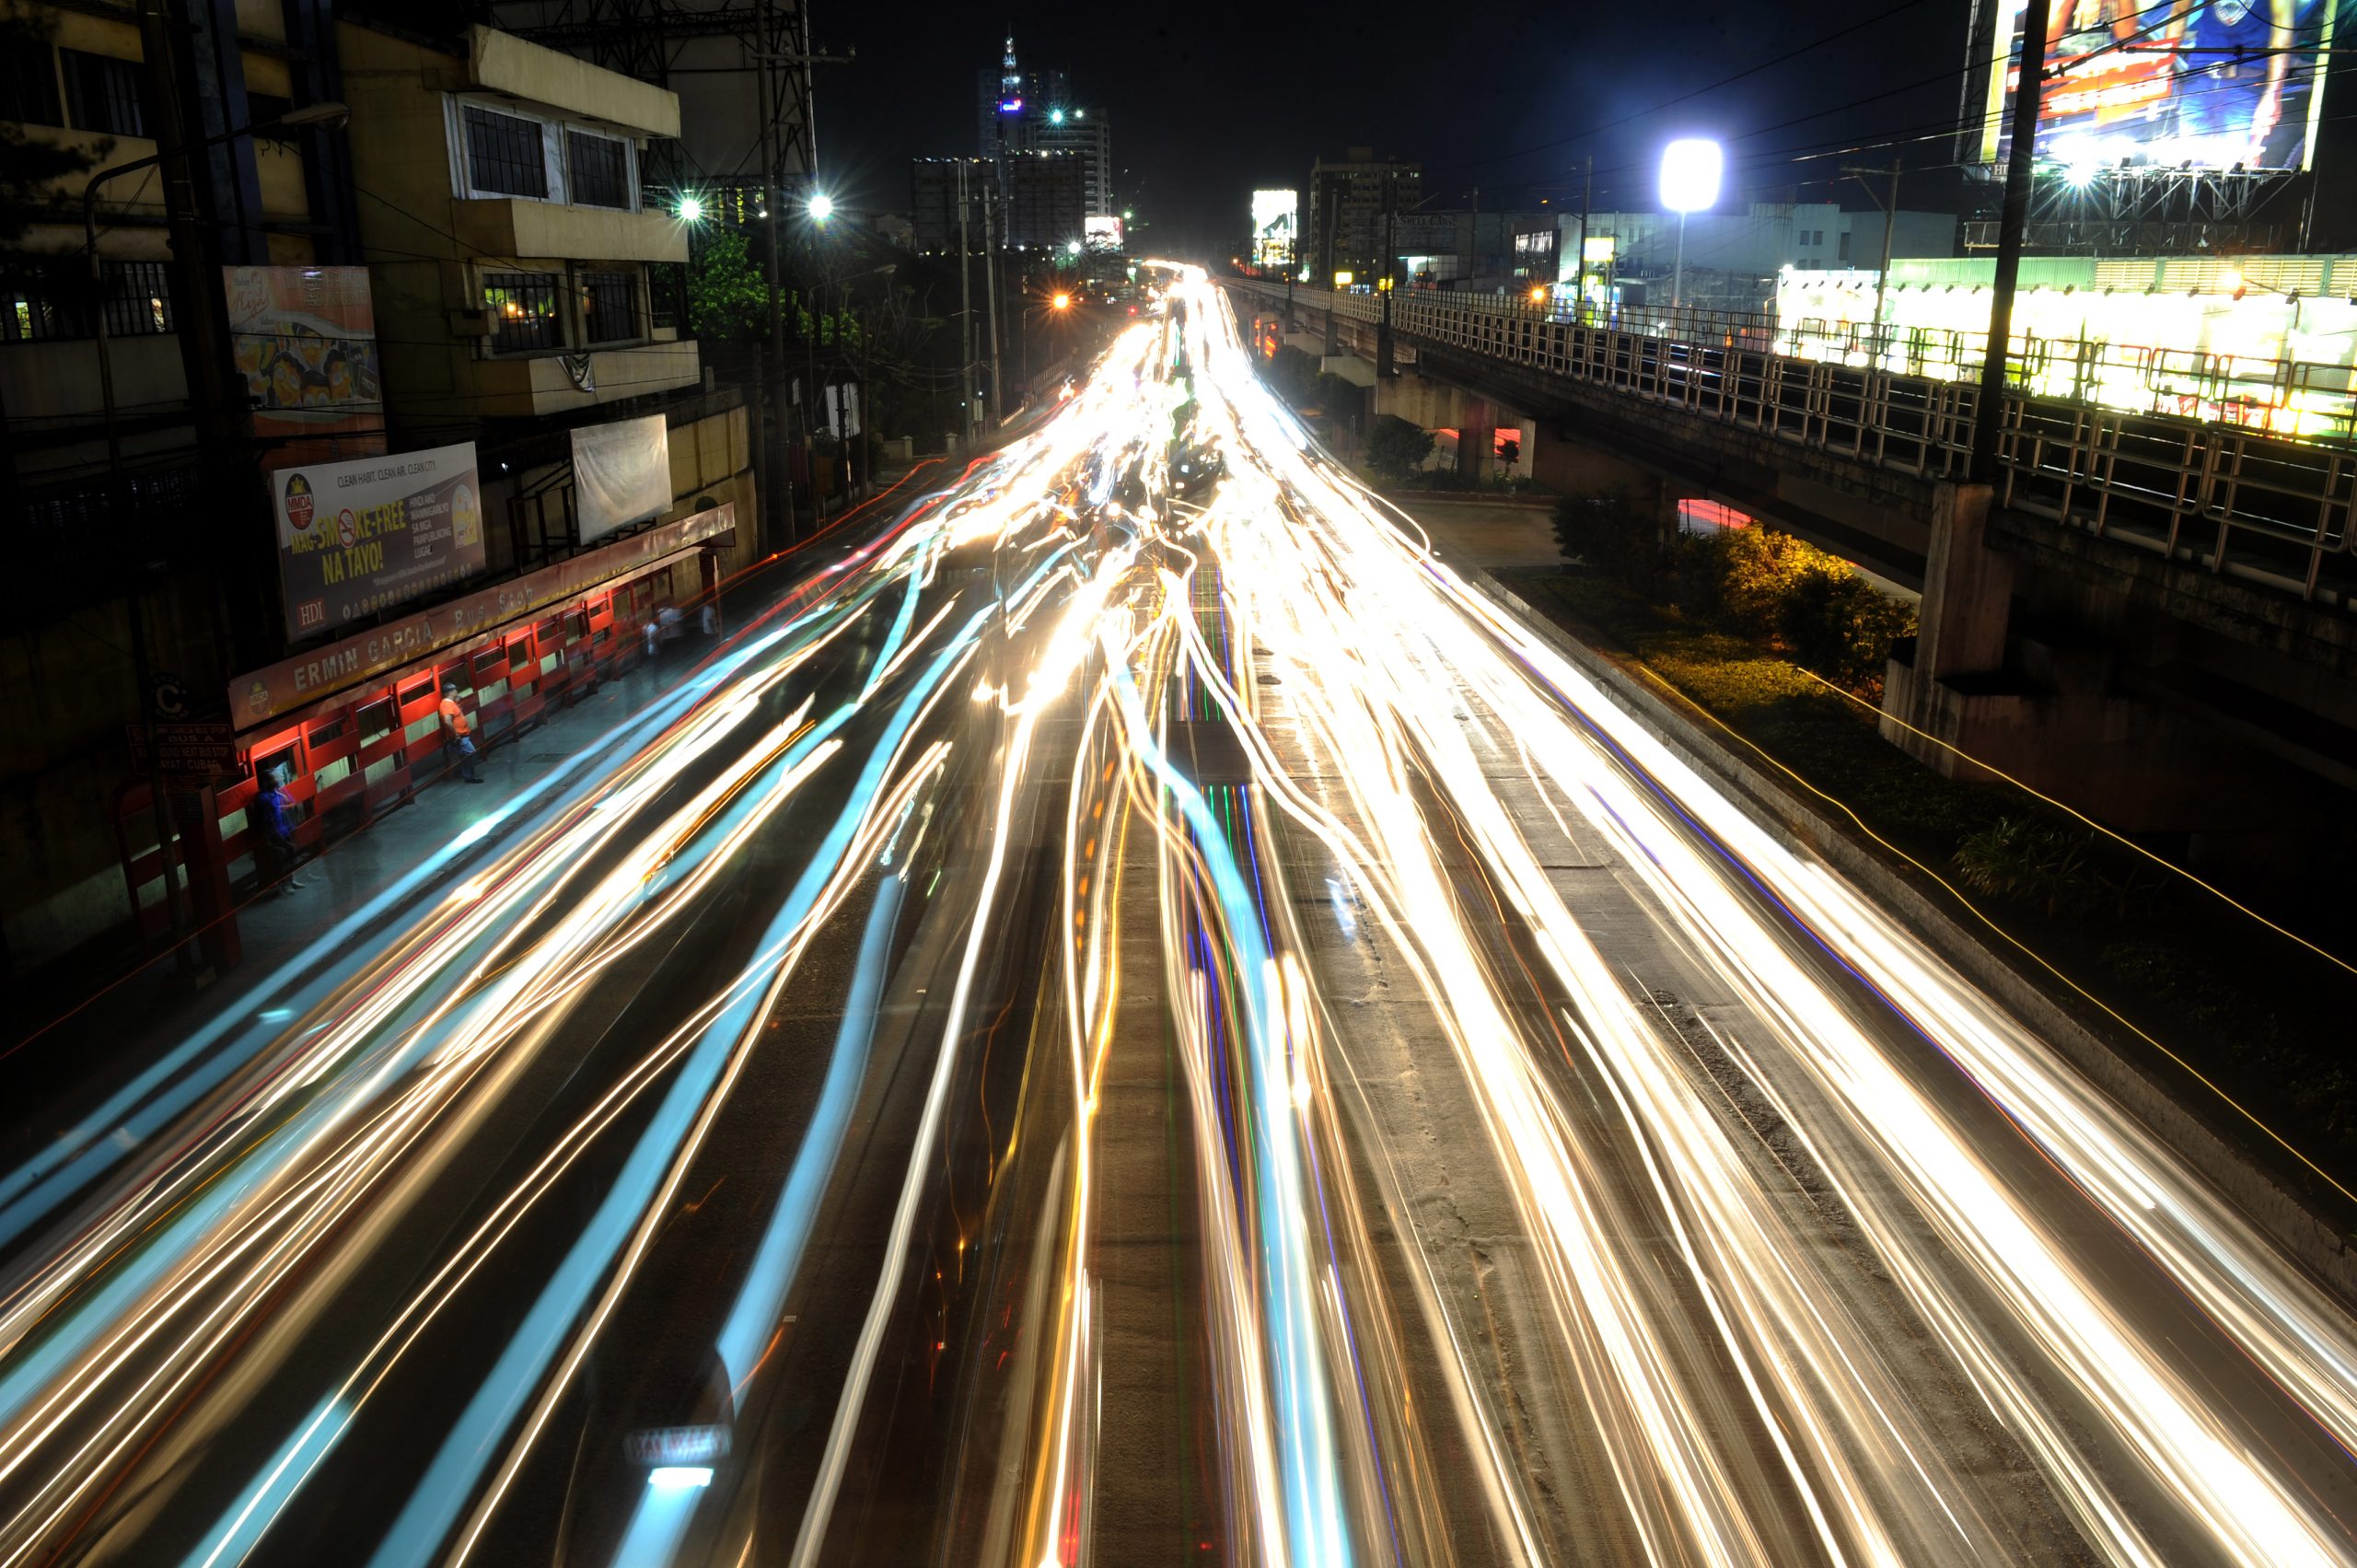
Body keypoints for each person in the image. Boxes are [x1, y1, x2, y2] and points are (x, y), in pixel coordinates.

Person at [254, 769, 305, 892]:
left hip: (282, 829)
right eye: (273, 778)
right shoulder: (263, 799)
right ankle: (284, 884)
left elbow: (282, 805)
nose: (276, 779)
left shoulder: (274, 794)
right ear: (266, 782)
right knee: (282, 856)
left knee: (291, 852)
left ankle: (290, 880)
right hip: (274, 833)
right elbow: (266, 821)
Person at [438, 680, 485, 784]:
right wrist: (456, 734)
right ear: (450, 692)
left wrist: (458, 700)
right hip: (459, 736)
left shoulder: (451, 703)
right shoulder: (446, 704)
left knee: (465, 755)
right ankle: (451, 748)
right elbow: (447, 721)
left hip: (463, 735)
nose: (457, 691)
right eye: (455, 690)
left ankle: (469, 776)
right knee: (470, 751)